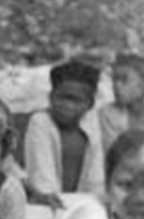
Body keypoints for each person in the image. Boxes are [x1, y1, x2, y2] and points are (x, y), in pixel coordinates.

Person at [23, 58, 105, 209]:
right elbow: (43, 178)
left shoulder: (91, 126)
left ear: (90, 104)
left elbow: (96, 178)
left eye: (76, 101)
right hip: (45, 205)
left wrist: (93, 204)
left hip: (82, 207)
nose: (67, 106)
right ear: (51, 96)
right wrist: (54, 202)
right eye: (61, 98)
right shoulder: (41, 122)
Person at [98, 51, 144, 148]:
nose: (116, 86)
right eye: (114, 80)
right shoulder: (107, 114)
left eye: (124, 80)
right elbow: (114, 151)